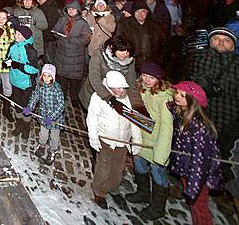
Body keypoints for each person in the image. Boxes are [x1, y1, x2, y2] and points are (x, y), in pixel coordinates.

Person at [187, 27, 239, 135]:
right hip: (198, 119)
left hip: (228, 125)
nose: (220, 42)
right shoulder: (196, 59)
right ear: (210, 41)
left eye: (227, 40)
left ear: (233, 46)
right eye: (216, 38)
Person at [86, 70, 143, 209]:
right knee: (103, 167)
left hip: (122, 141)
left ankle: (110, 186)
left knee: (117, 169)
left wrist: (136, 140)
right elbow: (92, 118)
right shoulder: (99, 97)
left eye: (123, 88)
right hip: (106, 140)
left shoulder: (127, 98)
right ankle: (99, 191)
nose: (121, 90)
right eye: (117, 88)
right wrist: (93, 137)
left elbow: (133, 120)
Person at [169, 81, 223, 225]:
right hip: (188, 170)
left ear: (192, 101)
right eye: (177, 92)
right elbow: (171, 107)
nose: (176, 96)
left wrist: (193, 187)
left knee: (199, 206)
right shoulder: (182, 113)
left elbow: (201, 160)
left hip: (200, 175)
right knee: (194, 206)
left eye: (182, 95)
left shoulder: (199, 127)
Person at [126, 62, 173, 220]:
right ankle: (143, 193)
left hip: (158, 143)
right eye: (144, 76)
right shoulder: (141, 90)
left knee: (157, 172)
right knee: (139, 164)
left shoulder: (164, 99)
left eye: (151, 78)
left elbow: (167, 128)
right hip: (142, 139)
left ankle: (157, 207)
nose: (146, 80)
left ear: (158, 80)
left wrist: (161, 155)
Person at [79, 36, 143, 112]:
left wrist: (138, 106)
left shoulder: (130, 61)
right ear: (112, 47)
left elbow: (131, 83)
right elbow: (95, 78)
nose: (125, 54)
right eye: (122, 51)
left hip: (115, 97)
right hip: (94, 93)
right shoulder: (99, 55)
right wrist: (109, 98)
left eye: (128, 51)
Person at [52, 0, 91, 104]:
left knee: (75, 80)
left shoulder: (83, 23)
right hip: (61, 54)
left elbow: (86, 38)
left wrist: (71, 39)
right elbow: (55, 30)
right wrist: (57, 34)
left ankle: (74, 98)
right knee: (62, 78)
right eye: (69, 8)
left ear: (78, 10)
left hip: (75, 56)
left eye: (73, 8)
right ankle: (62, 96)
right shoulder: (62, 20)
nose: (71, 10)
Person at [24, 63, 64, 165]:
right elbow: (34, 97)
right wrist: (29, 108)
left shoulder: (57, 89)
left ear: (53, 77)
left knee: (54, 137)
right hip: (43, 115)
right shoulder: (40, 86)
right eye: (44, 75)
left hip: (55, 119)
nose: (46, 78)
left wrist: (52, 117)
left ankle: (52, 151)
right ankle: (41, 146)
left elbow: (61, 105)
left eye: (49, 76)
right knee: (43, 134)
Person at [8, 25, 39, 140]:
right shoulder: (13, 46)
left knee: (26, 107)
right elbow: (8, 58)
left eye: (18, 34)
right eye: (15, 33)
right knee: (17, 105)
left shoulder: (30, 51)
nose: (16, 35)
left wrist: (20, 66)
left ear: (25, 37)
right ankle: (19, 125)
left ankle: (26, 127)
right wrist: (6, 62)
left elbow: (34, 69)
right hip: (15, 81)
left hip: (26, 85)